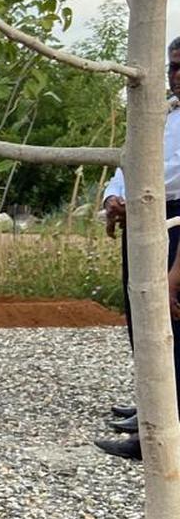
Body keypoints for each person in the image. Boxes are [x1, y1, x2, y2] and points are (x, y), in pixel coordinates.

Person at [96, 39, 180, 462]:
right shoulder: (159, 114)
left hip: (173, 219)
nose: (176, 75)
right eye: (172, 67)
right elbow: (127, 162)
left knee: (170, 318)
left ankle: (162, 432)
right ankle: (151, 402)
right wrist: (113, 198)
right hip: (141, 219)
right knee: (141, 314)